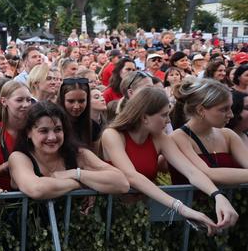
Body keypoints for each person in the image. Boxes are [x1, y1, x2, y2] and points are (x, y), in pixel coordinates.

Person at [101, 87, 238, 234]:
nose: (168, 121)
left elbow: (191, 171)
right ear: (144, 117)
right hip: (111, 217)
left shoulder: (159, 137)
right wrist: (182, 209)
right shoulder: (112, 134)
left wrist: (218, 196)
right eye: (164, 115)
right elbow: (131, 176)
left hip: (143, 216)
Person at [9, 101, 129, 199]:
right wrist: (79, 183)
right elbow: (36, 189)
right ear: (28, 132)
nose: (52, 137)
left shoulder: (79, 154)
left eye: (58, 129)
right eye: (43, 131)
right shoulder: (19, 157)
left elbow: (122, 183)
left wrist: (75, 174)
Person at [169, 78, 248, 185]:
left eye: (230, 108)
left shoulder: (228, 135)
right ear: (201, 110)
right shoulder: (178, 137)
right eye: (224, 109)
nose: (231, 115)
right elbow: (208, 173)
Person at [0, 81, 33, 190]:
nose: (25, 105)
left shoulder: (34, 130)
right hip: (4, 201)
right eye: (19, 100)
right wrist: (8, 165)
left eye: (28, 100)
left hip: (33, 199)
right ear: (4, 101)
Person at [58, 77, 101, 153]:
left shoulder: (93, 127)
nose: (76, 106)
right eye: (71, 101)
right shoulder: (53, 125)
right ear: (62, 100)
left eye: (81, 101)